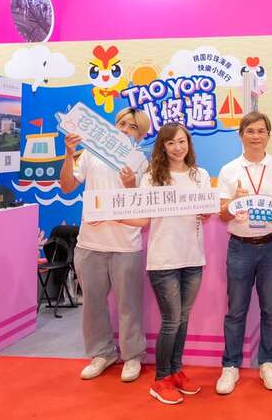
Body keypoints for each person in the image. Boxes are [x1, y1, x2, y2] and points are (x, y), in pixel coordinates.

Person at [59, 107, 150, 385]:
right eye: (122, 123)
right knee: (93, 304)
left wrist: (131, 184)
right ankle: (101, 353)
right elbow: (66, 186)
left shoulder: (142, 162)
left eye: (132, 127)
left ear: (140, 134)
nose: (125, 129)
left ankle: (132, 355)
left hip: (125, 244)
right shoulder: (90, 154)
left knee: (129, 305)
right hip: (90, 243)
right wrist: (69, 153)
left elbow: (145, 206)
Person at [215, 112, 272, 395]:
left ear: (268, 135)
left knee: (271, 310)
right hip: (240, 247)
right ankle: (230, 366)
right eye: (250, 131)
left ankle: (268, 363)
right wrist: (233, 202)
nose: (255, 136)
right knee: (236, 310)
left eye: (261, 131)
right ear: (241, 135)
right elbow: (222, 215)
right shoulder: (229, 170)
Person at [143, 123, 212, 405]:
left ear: (189, 143)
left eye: (182, 141)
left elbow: (206, 211)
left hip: (193, 257)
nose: (177, 147)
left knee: (183, 318)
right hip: (163, 259)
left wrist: (206, 214)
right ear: (162, 146)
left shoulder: (200, 175)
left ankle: (175, 371)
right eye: (170, 143)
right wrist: (112, 217)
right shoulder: (151, 177)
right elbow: (142, 217)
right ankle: (161, 379)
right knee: (171, 320)